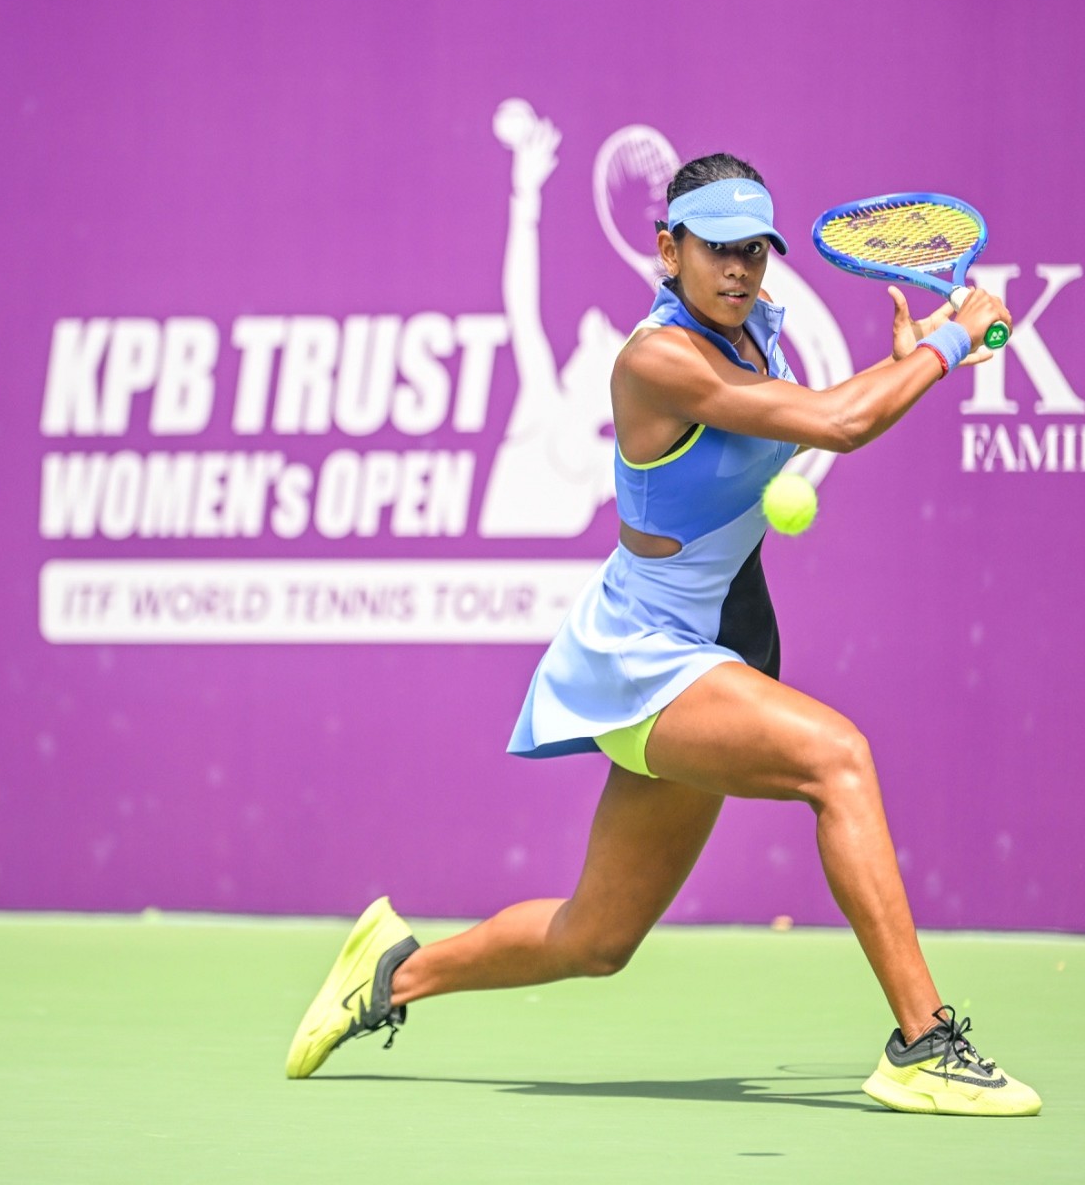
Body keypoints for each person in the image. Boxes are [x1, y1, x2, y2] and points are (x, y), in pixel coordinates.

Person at [286, 153, 1041, 1117]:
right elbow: (834, 428)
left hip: (720, 652)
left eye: (754, 252)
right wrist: (945, 350)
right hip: (650, 659)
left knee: (595, 938)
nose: (739, 270)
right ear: (668, 248)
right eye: (717, 250)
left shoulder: (754, 327)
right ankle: (922, 1045)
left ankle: (390, 973)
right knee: (838, 761)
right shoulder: (658, 359)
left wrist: (909, 360)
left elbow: (815, 420)